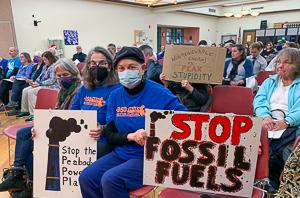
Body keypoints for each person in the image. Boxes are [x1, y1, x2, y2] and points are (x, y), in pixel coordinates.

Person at [79, 47, 186, 198]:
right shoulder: (115, 96)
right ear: (116, 71)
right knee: (86, 177)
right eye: (121, 68)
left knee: (110, 180)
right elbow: (110, 134)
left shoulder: (160, 93)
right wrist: (130, 136)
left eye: (132, 67)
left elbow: (187, 121)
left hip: (149, 157)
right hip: (122, 153)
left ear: (143, 68)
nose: (126, 72)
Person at [0, 58, 82, 197]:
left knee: (26, 142)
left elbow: (70, 116)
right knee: (23, 134)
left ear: (74, 73)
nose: (62, 78)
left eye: (65, 74)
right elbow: (57, 111)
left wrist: (47, 123)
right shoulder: (64, 90)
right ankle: (19, 174)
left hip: (68, 131)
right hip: (57, 125)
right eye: (59, 75)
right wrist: (44, 122)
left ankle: (27, 183)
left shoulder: (79, 90)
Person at [253, 48, 300, 192]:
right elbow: (259, 101)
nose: (280, 65)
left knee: (287, 151)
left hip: (290, 125)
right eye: (279, 62)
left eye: (286, 63)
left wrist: (286, 122)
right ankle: (259, 182)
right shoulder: (270, 81)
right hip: (267, 122)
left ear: (297, 65)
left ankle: (285, 186)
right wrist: (265, 117)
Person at [71, 46, 120, 158]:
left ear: (110, 66)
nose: (97, 67)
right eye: (93, 63)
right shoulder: (84, 88)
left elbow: (117, 122)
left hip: (101, 138)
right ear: (88, 66)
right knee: (26, 134)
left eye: (102, 63)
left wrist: (102, 129)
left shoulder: (117, 89)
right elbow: (73, 113)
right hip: (79, 133)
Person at [16, 51, 59, 122]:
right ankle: (25, 111)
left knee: (31, 92)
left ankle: (34, 114)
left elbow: (52, 80)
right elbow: (40, 76)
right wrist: (34, 82)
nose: (44, 61)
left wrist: (40, 83)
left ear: (50, 59)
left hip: (53, 86)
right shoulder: (45, 66)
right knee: (25, 90)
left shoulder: (54, 66)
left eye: (45, 60)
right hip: (43, 84)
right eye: (43, 60)